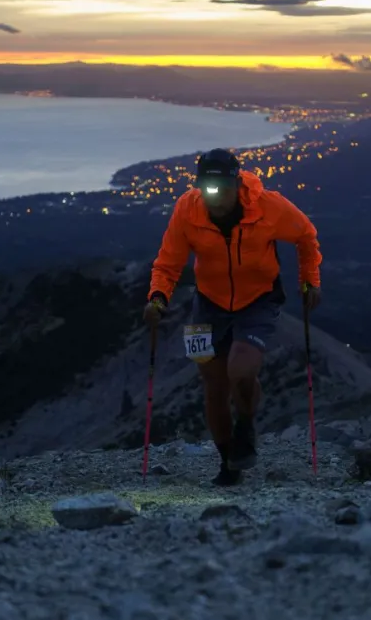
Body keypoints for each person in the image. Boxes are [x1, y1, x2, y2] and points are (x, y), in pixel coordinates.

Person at [143, 148, 322, 486]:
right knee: (212, 385)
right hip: (207, 303)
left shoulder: (268, 207)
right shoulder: (187, 208)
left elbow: (305, 236)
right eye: (206, 188)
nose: (214, 196)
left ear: (236, 183)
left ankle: (246, 424)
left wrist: (309, 280)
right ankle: (228, 463)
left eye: (222, 187)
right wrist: (157, 297)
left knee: (240, 369)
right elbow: (168, 261)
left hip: (258, 300)